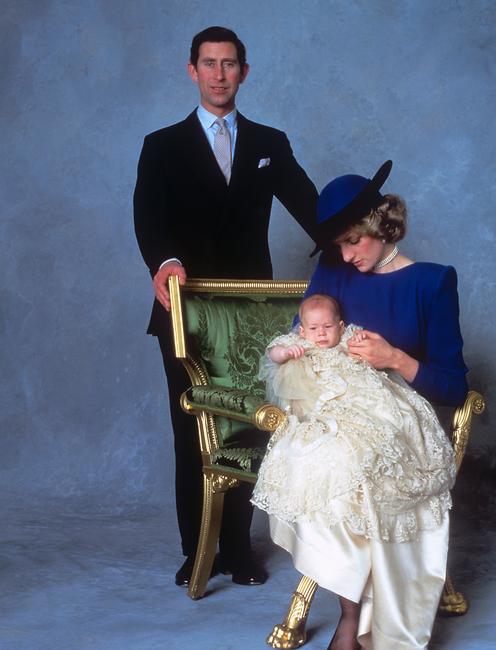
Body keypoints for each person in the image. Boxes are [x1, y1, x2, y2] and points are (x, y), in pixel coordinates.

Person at [133, 25, 318, 588]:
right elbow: (149, 217)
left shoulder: (269, 142)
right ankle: (201, 549)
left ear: (244, 71)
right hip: (185, 310)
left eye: (229, 64)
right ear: (193, 71)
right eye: (208, 64)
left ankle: (239, 548)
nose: (219, 74)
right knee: (192, 429)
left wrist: (365, 235)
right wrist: (164, 261)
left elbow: (313, 208)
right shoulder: (161, 145)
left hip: (251, 315)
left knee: (249, 426)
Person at [258, 161, 468, 649]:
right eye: (339, 245)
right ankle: (352, 613)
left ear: (381, 226)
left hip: (399, 419)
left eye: (354, 241)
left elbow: (453, 388)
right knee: (310, 460)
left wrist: (394, 357)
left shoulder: (432, 282)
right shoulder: (331, 271)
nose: (347, 256)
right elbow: (302, 339)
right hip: (335, 409)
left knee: (349, 465)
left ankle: (359, 624)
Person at [253, 293, 457, 647]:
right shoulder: (297, 343)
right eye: (313, 328)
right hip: (323, 414)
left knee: (385, 440)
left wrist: (365, 347)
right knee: (328, 465)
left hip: (363, 406)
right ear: (302, 329)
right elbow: (273, 356)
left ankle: (371, 610)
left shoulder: (350, 339)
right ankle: (352, 612)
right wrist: (287, 354)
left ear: (341, 326)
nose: (320, 334)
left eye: (328, 327)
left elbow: (373, 358)